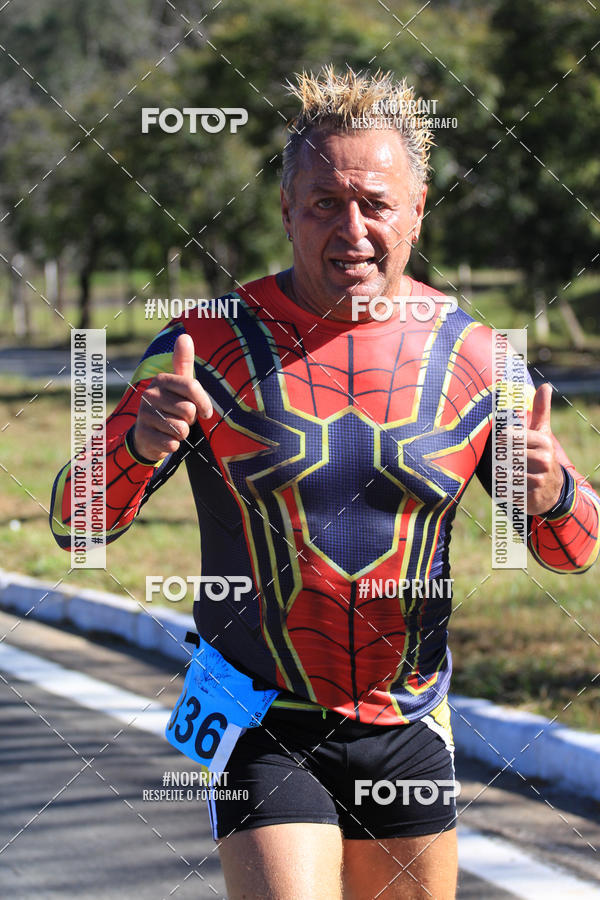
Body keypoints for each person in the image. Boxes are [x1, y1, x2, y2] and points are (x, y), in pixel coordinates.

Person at [51, 67, 600, 899]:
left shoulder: (480, 359)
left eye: (375, 203)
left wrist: (554, 487)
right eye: (323, 203)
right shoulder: (205, 345)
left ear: (417, 209)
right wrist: (135, 443)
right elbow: (74, 521)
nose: (351, 228)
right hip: (263, 717)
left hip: (410, 723)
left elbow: (575, 553)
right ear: (285, 211)